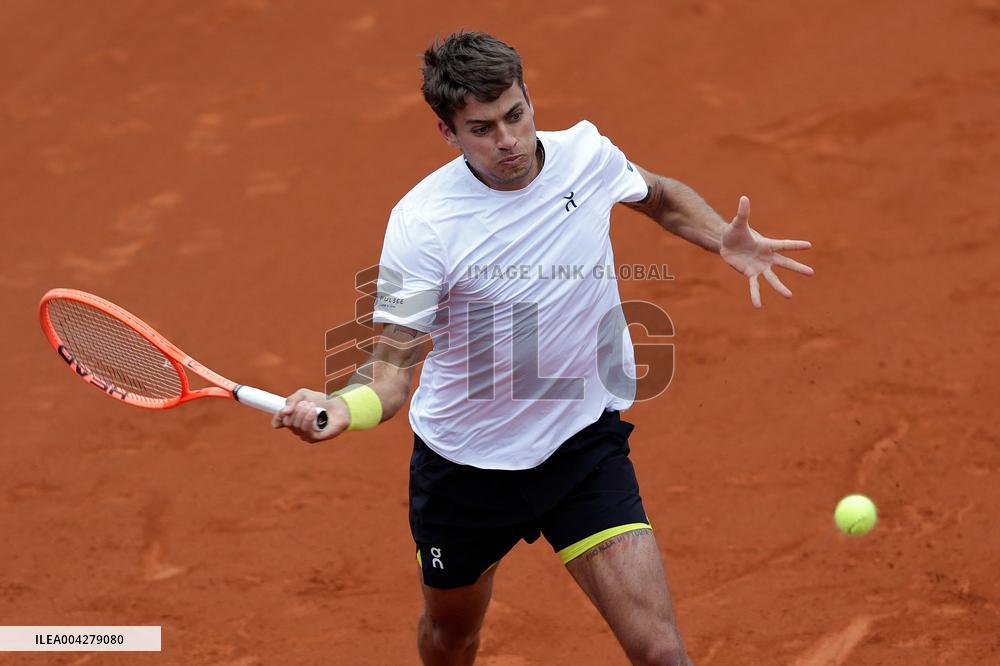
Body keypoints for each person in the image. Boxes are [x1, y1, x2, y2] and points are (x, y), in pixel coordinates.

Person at [273, 31, 812, 666]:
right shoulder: (422, 225)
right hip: (464, 470)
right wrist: (343, 407)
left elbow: (660, 196)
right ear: (448, 134)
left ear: (529, 98)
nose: (507, 141)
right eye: (481, 128)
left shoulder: (586, 153)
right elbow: (391, 372)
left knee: (663, 653)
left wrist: (722, 236)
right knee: (452, 638)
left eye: (515, 115)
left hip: (580, 447)